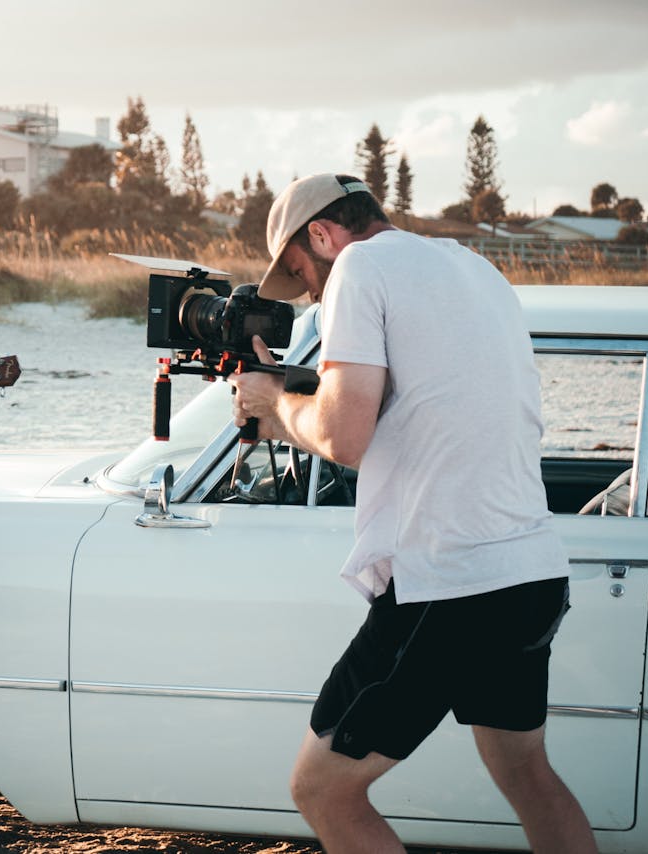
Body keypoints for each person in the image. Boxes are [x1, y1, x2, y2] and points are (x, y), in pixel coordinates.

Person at [229, 174, 597, 854]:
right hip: (528, 572)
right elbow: (412, 414)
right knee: (526, 773)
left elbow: (343, 438)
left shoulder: (360, 268)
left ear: (322, 235)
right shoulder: (469, 265)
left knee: (322, 791)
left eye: (302, 272)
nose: (309, 291)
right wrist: (280, 410)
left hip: (448, 582)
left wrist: (276, 398)